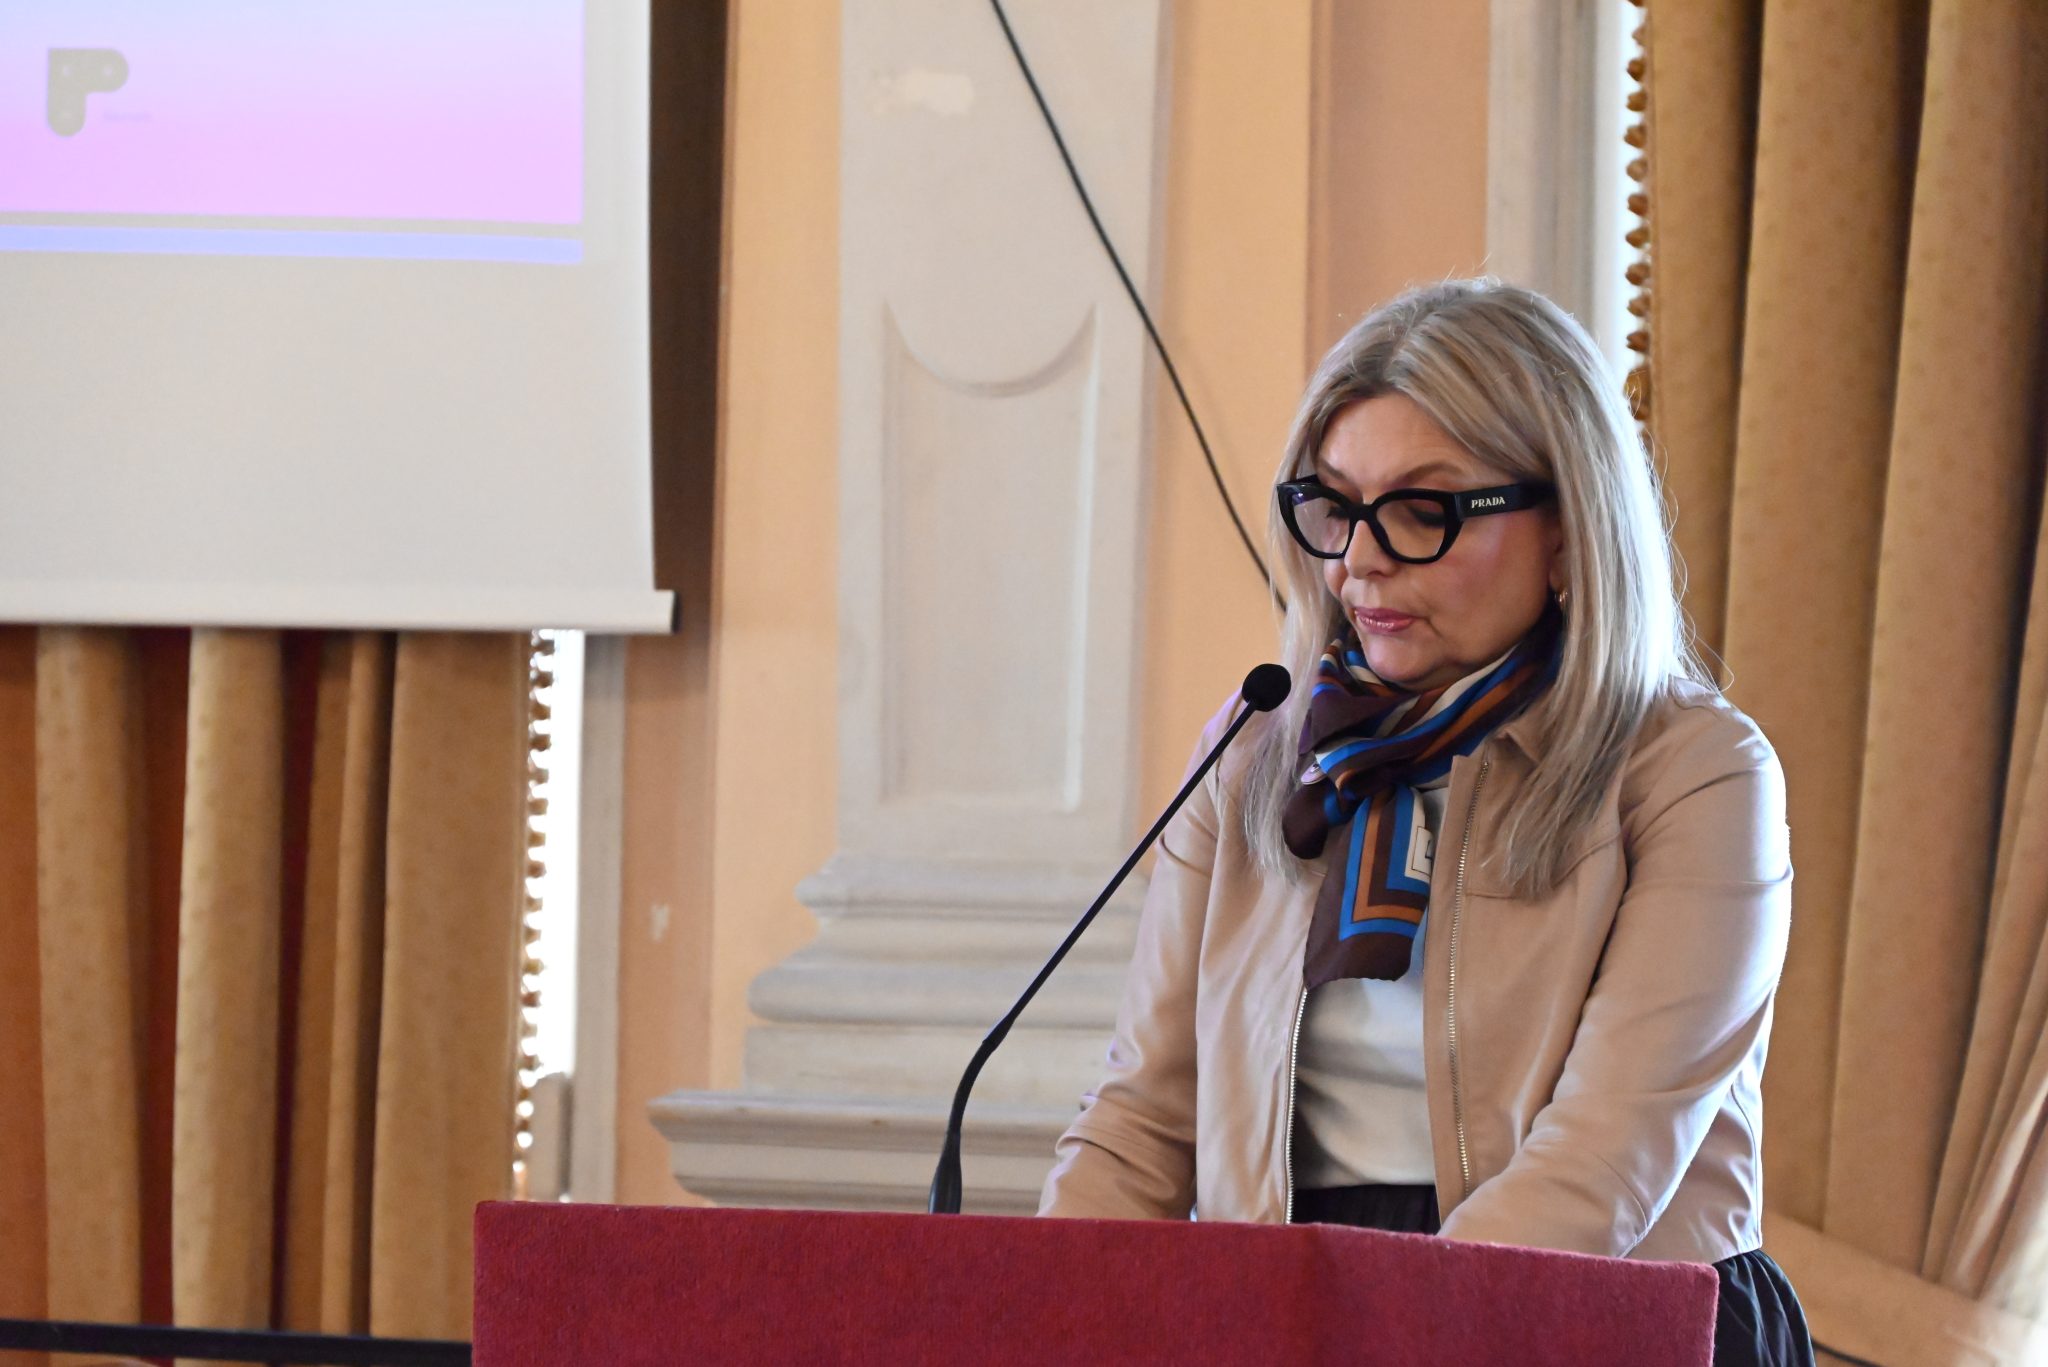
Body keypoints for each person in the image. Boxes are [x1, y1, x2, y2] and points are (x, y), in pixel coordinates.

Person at [1038, 279, 1811, 1366]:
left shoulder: (1695, 769)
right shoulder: (1258, 749)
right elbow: (1143, 1119)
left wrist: (1384, 1334)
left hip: (1607, 1306)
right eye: (1335, 505)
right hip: (1299, 1302)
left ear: (1567, 532)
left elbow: (1600, 1161)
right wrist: (1037, 1314)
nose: (1359, 559)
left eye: (1422, 510)